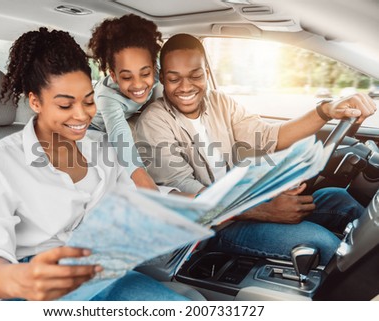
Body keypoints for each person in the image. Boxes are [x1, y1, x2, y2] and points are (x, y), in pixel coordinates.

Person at [0, 27, 190, 301]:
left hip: (104, 273)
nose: (82, 115)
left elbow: (139, 197)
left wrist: (207, 202)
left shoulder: (101, 146)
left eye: (89, 101)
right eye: (65, 106)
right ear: (35, 101)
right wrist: (19, 280)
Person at [136, 33, 376, 265]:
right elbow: (191, 199)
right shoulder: (153, 123)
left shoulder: (220, 102)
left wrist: (326, 111)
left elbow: (270, 137)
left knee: (339, 200)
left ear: (207, 73)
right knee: (324, 245)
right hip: (214, 228)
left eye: (195, 75)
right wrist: (263, 210)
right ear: (162, 78)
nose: (185, 87)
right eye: (174, 78)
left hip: (246, 201)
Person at [88, 14, 162, 190]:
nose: (137, 84)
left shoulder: (158, 76)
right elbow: (119, 135)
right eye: (127, 77)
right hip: (95, 128)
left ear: (154, 67)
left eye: (145, 74)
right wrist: (142, 179)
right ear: (113, 75)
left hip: (126, 119)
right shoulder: (106, 96)